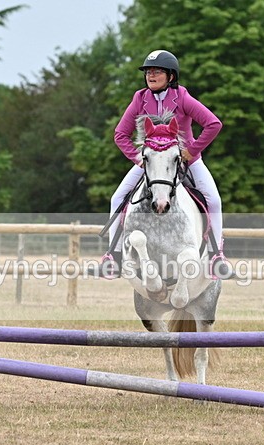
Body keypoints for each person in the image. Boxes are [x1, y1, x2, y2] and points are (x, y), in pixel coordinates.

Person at [100, 49, 232, 279]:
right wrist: (138, 158)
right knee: (117, 198)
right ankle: (114, 256)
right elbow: (120, 134)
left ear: (171, 76)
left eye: (157, 71)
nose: (151, 75)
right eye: (148, 71)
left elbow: (213, 123)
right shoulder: (139, 98)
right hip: (151, 162)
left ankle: (215, 256)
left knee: (214, 200)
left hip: (185, 160)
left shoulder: (182, 97)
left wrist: (191, 151)